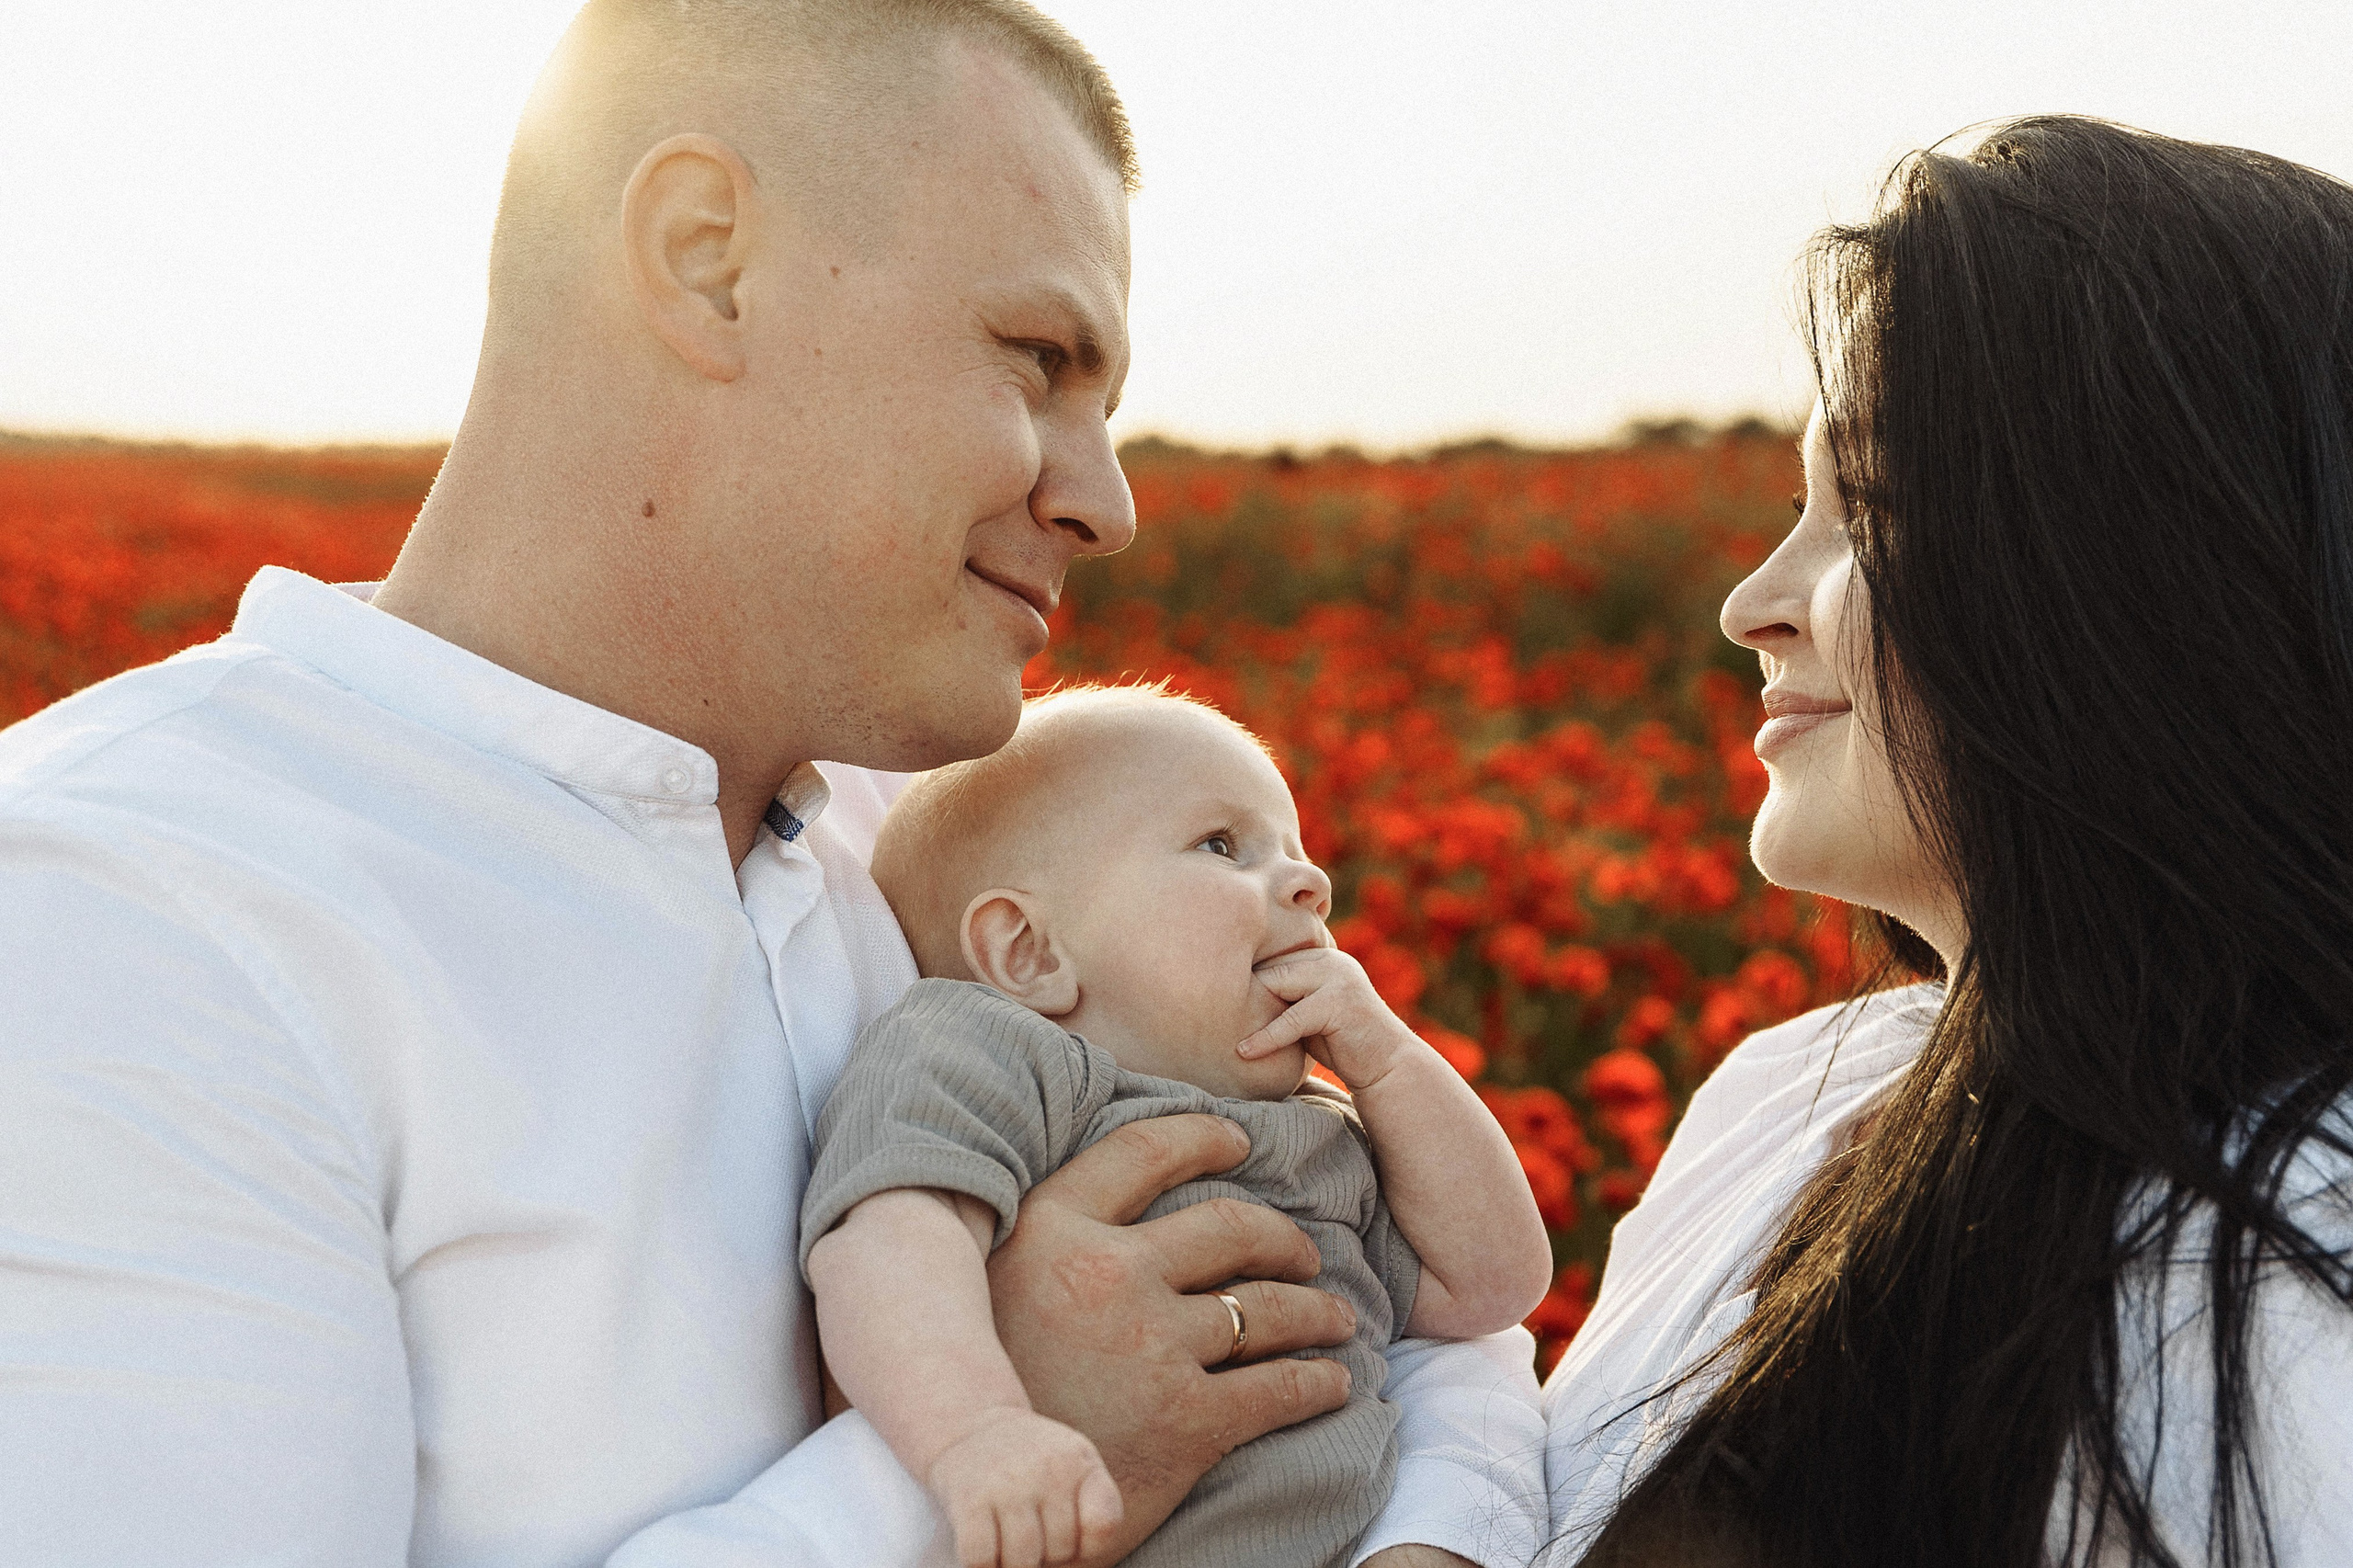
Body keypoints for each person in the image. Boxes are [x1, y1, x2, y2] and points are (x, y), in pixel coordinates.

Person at [0, 3, 1546, 1564]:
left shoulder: (946, 842)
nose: (1108, 504)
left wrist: (1437, 1536)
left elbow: (1416, 1294)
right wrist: (981, 1441)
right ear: (703, 256)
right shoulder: (129, 911)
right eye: (1037, 360)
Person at [1540, 116, 2353, 1566]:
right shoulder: (1782, 1098)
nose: (1750, 603)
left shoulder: (2296, 1268)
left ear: (2151, 585)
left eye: (1875, 507)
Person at [803, 687, 1554, 1568]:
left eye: (1297, 852)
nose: (1310, 883)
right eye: (1222, 845)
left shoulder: (1319, 1127)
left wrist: (1389, 1061)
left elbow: (1492, 1289)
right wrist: (979, 1430)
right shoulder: (989, 1051)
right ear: (1028, 953)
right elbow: (889, 1240)